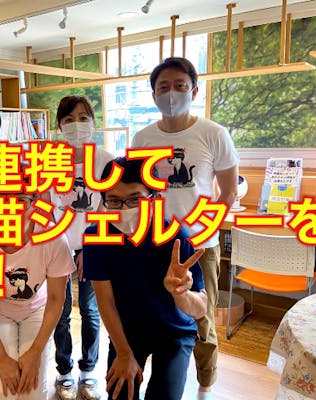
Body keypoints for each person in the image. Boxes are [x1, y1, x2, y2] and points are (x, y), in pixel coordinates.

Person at [131, 57, 239, 399]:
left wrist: (204, 232)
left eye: (180, 85)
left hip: (200, 245)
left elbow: (229, 191)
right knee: (155, 309)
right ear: (154, 95)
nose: (171, 93)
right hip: (155, 243)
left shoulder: (213, 134)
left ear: (193, 91)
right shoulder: (143, 138)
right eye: (163, 87)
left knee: (201, 317)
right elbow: (137, 192)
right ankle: (164, 374)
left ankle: (205, 385)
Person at [83, 157, 208, 400]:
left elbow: (201, 308)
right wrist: (123, 353)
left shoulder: (175, 237)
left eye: (135, 199)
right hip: (127, 332)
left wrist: (180, 294)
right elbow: (105, 302)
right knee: (119, 392)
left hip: (173, 332)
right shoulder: (97, 237)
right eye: (114, 201)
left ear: (154, 198)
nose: (124, 209)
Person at [0, 183, 75, 399]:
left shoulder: (53, 237)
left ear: (35, 201)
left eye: (20, 200)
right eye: (0, 199)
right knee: (3, 386)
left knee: (33, 387)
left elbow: (56, 299)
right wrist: (1, 358)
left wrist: (36, 352)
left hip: (37, 309)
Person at [49, 95, 114, 400]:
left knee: (90, 311)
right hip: (58, 244)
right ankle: (63, 371)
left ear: (93, 122)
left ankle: (88, 370)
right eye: (69, 119)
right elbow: (45, 205)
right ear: (60, 125)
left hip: (93, 245)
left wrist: (91, 247)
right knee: (60, 311)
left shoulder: (106, 160)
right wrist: (57, 246)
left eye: (83, 118)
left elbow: (108, 207)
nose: (76, 125)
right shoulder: (49, 160)